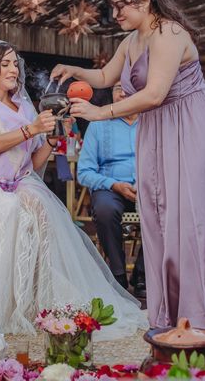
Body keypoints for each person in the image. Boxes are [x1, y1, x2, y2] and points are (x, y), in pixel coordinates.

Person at [50, 0, 205, 331]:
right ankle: (171, 310)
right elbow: (105, 78)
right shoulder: (131, 41)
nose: (116, 15)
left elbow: (156, 93)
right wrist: (74, 70)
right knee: (158, 214)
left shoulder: (170, 34)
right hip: (158, 127)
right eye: (112, 8)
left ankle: (204, 310)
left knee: (189, 215)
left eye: (120, 6)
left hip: (191, 125)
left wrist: (100, 113)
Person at [0, 40, 147, 340]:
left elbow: (32, 161)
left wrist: (52, 139)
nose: (12, 69)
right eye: (4, 63)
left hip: (17, 182)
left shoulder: (23, 106)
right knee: (9, 210)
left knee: (43, 210)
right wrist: (31, 129)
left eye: (14, 64)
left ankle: (39, 301)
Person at [77, 81, 145, 297]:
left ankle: (143, 275)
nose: (123, 92)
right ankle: (118, 276)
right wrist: (114, 184)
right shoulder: (99, 124)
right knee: (105, 209)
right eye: (118, 88)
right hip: (110, 187)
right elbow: (84, 172)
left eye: (129, 87)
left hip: (147, 188)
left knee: (169, 210)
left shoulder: (153, 123)